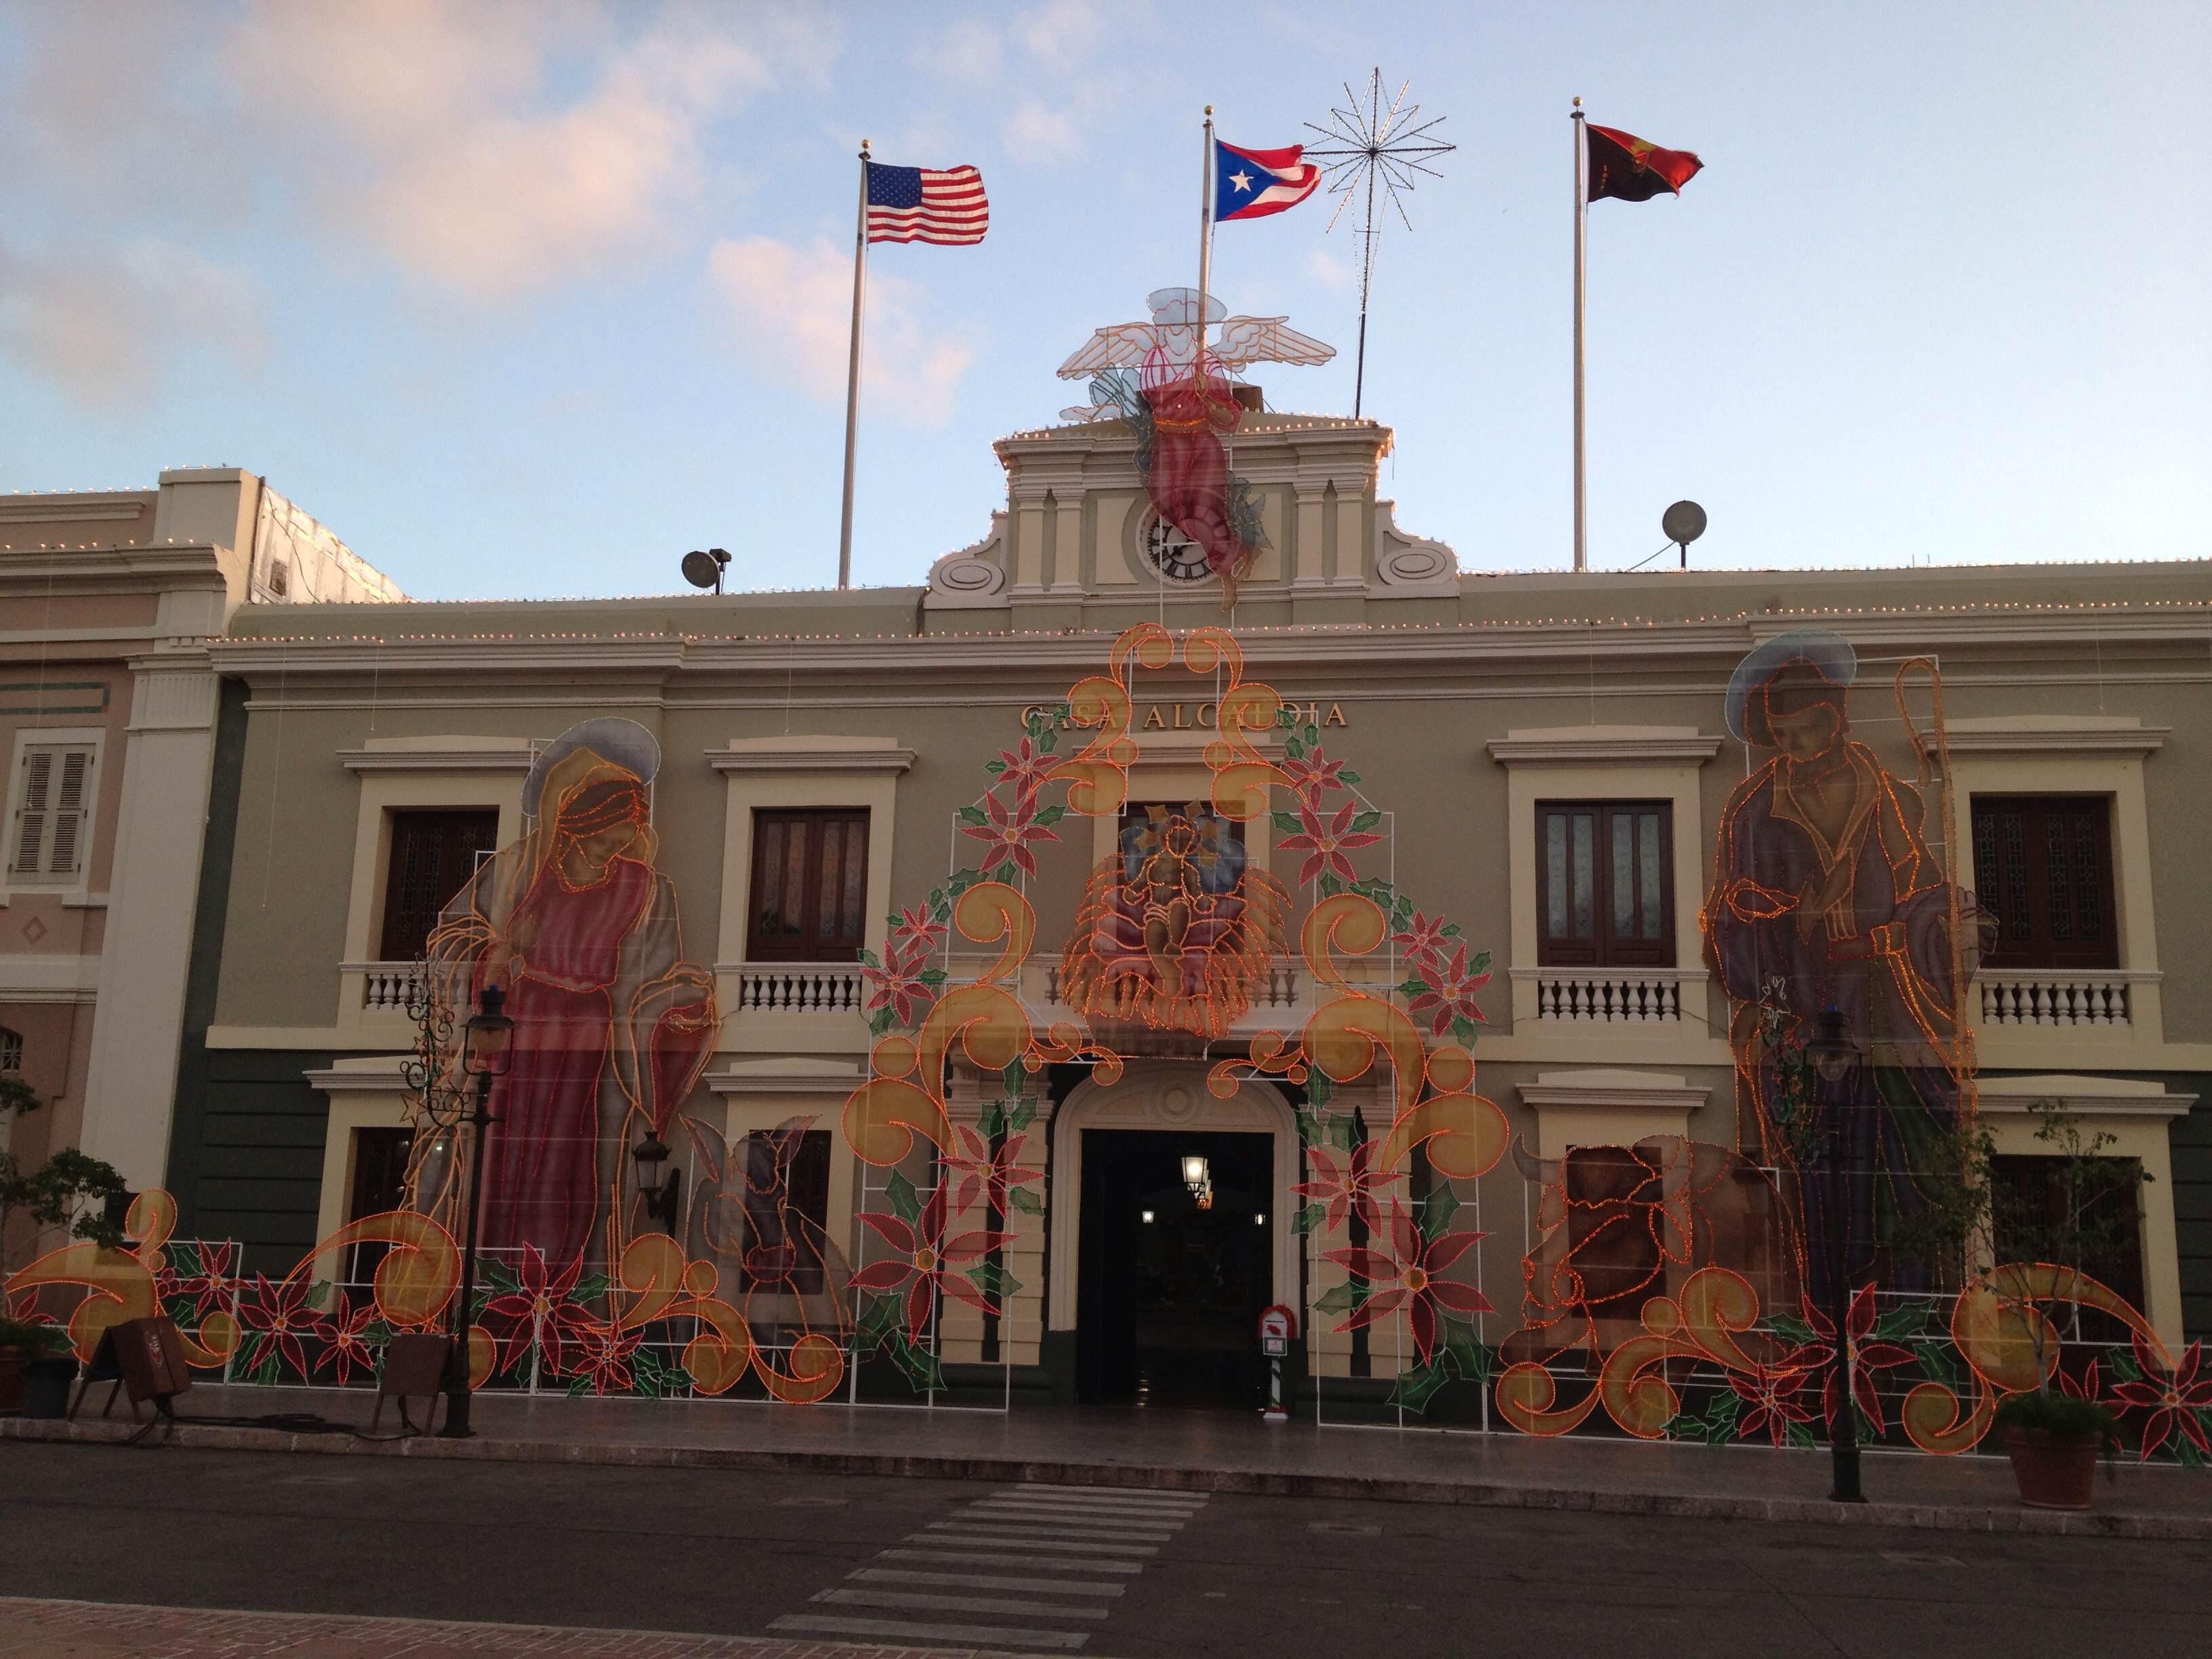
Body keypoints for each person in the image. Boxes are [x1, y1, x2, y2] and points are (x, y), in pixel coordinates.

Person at [1702, 632, 1969, 1300]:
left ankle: (1907, 1316)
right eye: (1782, 735)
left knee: (1905, 1176)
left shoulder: (1889, 795)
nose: (1795, 745)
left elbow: (1920, 885)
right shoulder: (1751, 808)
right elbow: (1728, 913)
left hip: (1890, 1008)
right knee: (1815, 1180)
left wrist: (1940, 922)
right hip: (1802, 1013)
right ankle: (1826, 1321)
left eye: (1807, 729)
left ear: (1837, 717)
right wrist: (1792, 921)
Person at [421, 718, 717, 1273]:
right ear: (579, 826)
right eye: (607, 839)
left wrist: (681, 1003)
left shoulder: (646, 888)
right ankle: (484, 1275)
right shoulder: (518, 872)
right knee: (500, 1151)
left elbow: (650, 981)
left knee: (571, 1162)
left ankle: (561, 1280)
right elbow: (451, 936)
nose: (616, 850)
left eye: (624, 840)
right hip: (515, 1027)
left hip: (591, 1038)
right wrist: (502, 953)